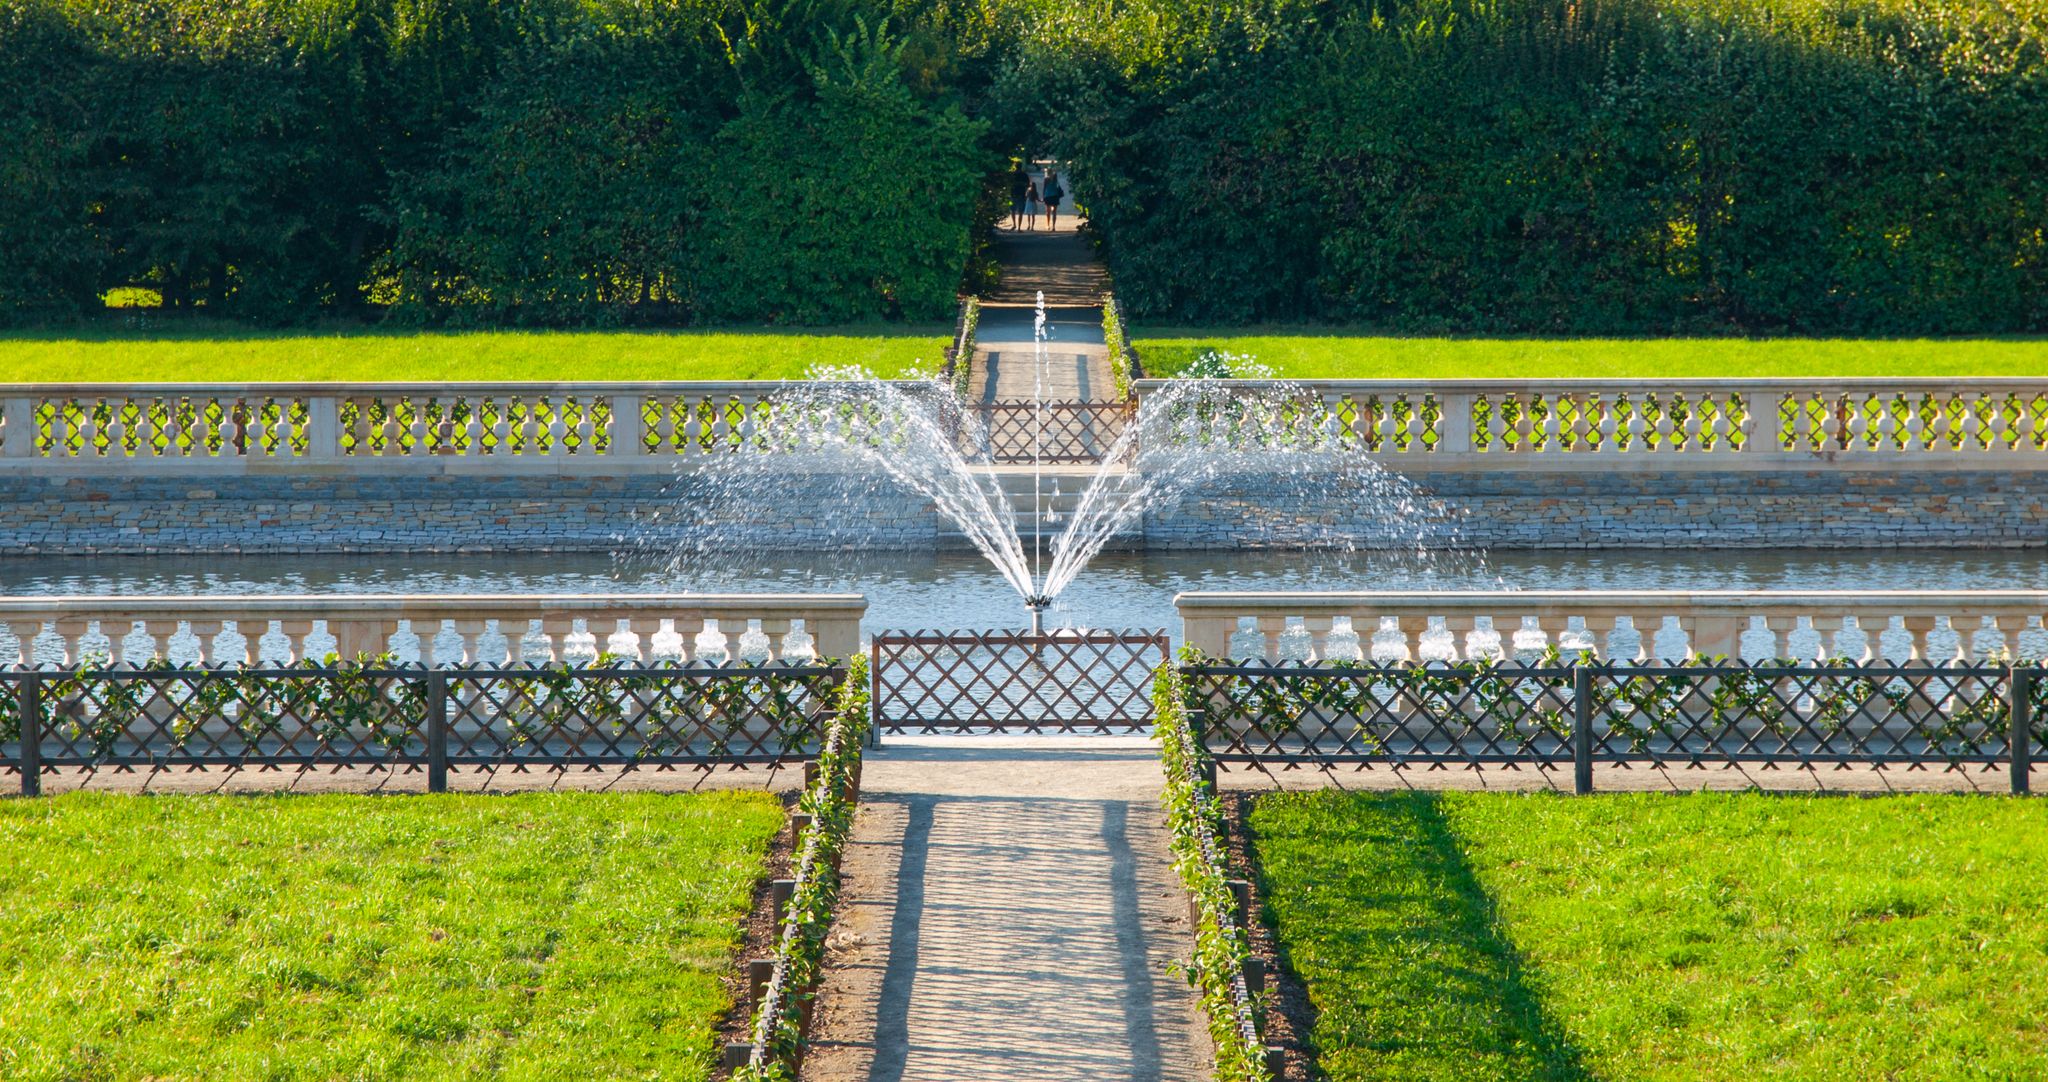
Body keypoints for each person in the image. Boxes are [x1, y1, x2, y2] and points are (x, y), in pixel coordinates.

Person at [1007, 162, 1030, 230]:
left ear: (1015, 166)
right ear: (1021, 166)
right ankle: (1019, 227)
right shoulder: (1024, 175)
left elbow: (1008, 184)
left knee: (1012, 210)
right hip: (1021, 195)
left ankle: (1014, 224)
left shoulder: (1012, 174)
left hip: (1012, 195)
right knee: (1020, 212)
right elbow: (1028, 185)